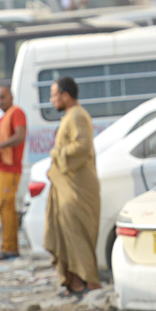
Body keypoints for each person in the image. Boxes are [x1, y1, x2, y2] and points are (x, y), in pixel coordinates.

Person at [44, 76, 101, 297]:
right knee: (68, 233)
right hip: (69, 186)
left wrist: (56, 154)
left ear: (65, 96)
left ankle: (90, 282)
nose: (52, 100)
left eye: (54, 95)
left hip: (78, 187)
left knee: (78, 235)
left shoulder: (77, 115)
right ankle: (75, 283)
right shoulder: (72, 115)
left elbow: (82, 146)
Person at [0, 86, 27, 260]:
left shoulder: (16, 112)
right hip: (2, 169)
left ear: (11, 96)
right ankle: (8, 246)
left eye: (3, 97)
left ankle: (10, 248)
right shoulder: (4, 117)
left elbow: (20, 136)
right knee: (2, 208)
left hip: (10, 169)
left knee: (6, 207)